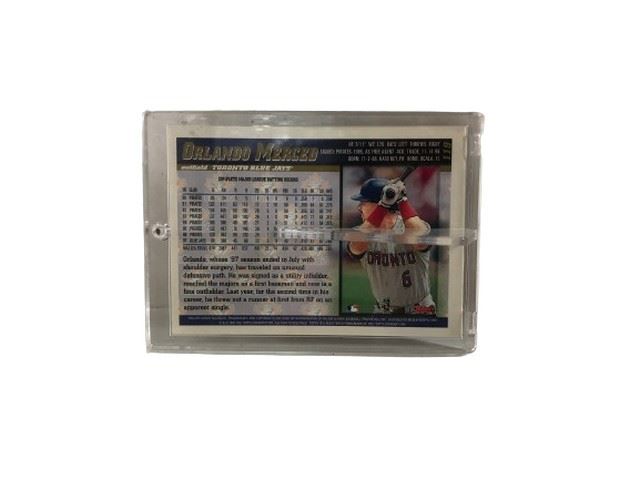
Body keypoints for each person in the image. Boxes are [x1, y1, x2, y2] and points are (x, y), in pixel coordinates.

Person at [347, 177, 436, 315]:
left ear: (377, 204)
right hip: (383, 311)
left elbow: (421, 241)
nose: (359, 207)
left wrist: (402, 201)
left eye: (364, 202)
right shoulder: (362, 230)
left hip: (419, 310)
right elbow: (356, 247)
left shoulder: (409, 226)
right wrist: (382, 207)